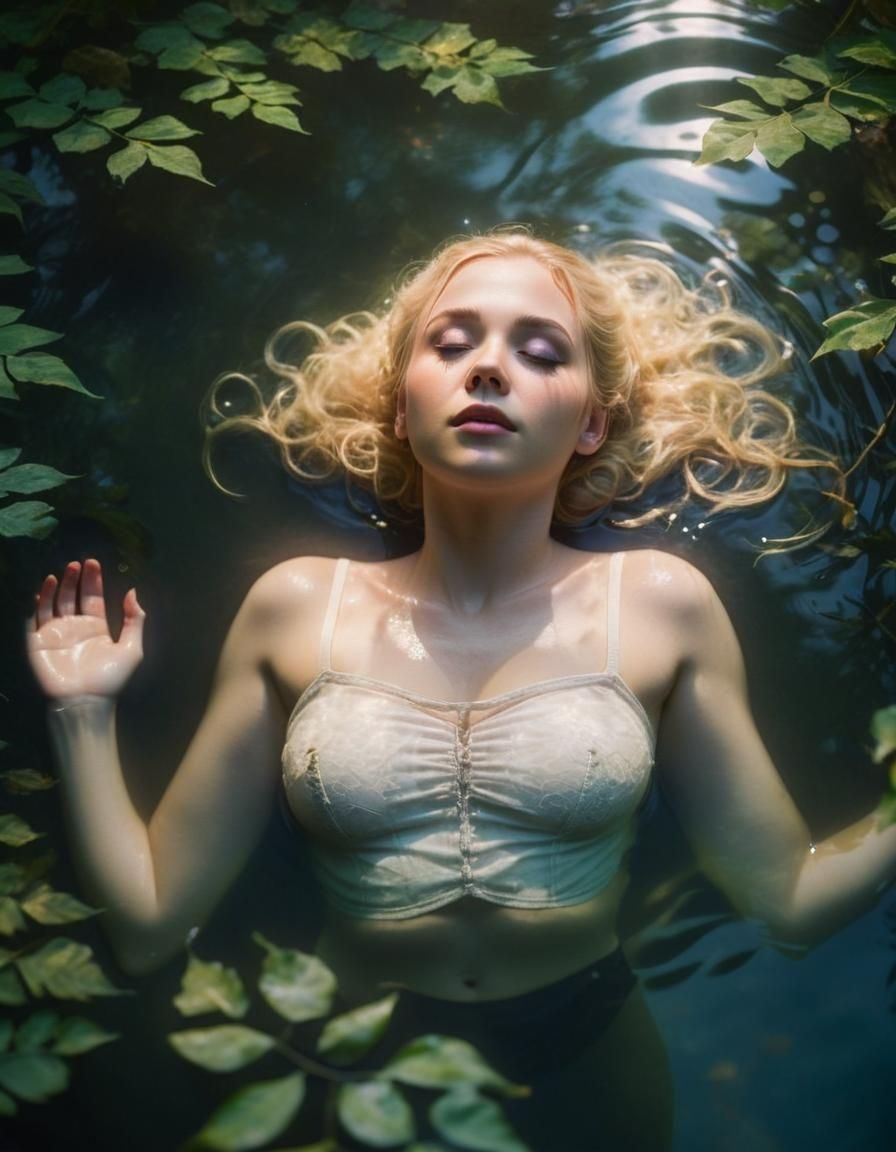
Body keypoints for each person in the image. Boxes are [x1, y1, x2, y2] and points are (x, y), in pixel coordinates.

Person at [26, 229, 896, 1151]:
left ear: (591, 422)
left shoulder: (658, 605)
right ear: (402, 405)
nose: (488, 367)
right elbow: (153, 925)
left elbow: (786, 899)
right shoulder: (294, 608)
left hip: (584, 1052)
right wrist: (82, 710)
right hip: (343, 1052)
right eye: (451, 343)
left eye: (539, 350)